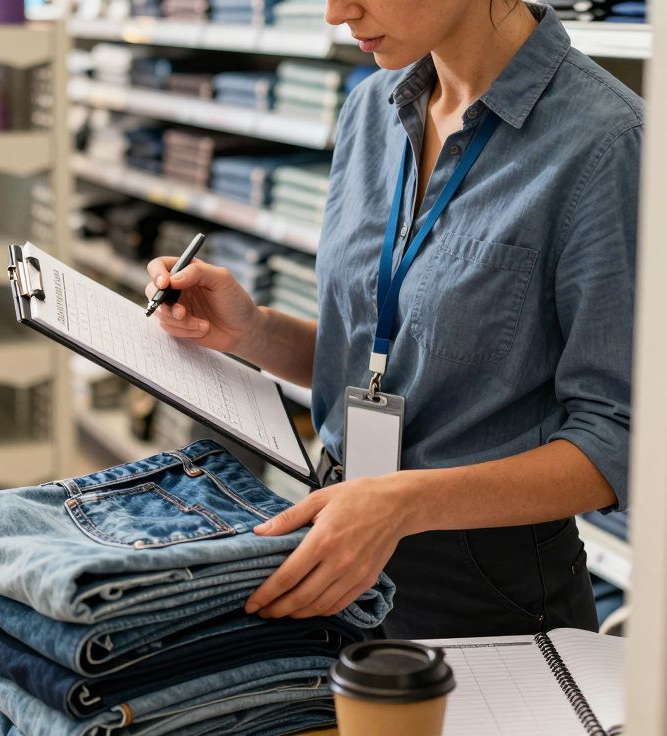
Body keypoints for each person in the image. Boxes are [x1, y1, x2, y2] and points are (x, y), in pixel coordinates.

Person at [145, 0, 640, 639]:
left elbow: (617, 441)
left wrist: (404, 505)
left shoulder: (607, 143)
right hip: (340, 527)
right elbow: (393, 353)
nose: (334, 13)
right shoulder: (370, 109)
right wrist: (253, 331)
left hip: (486, 587)